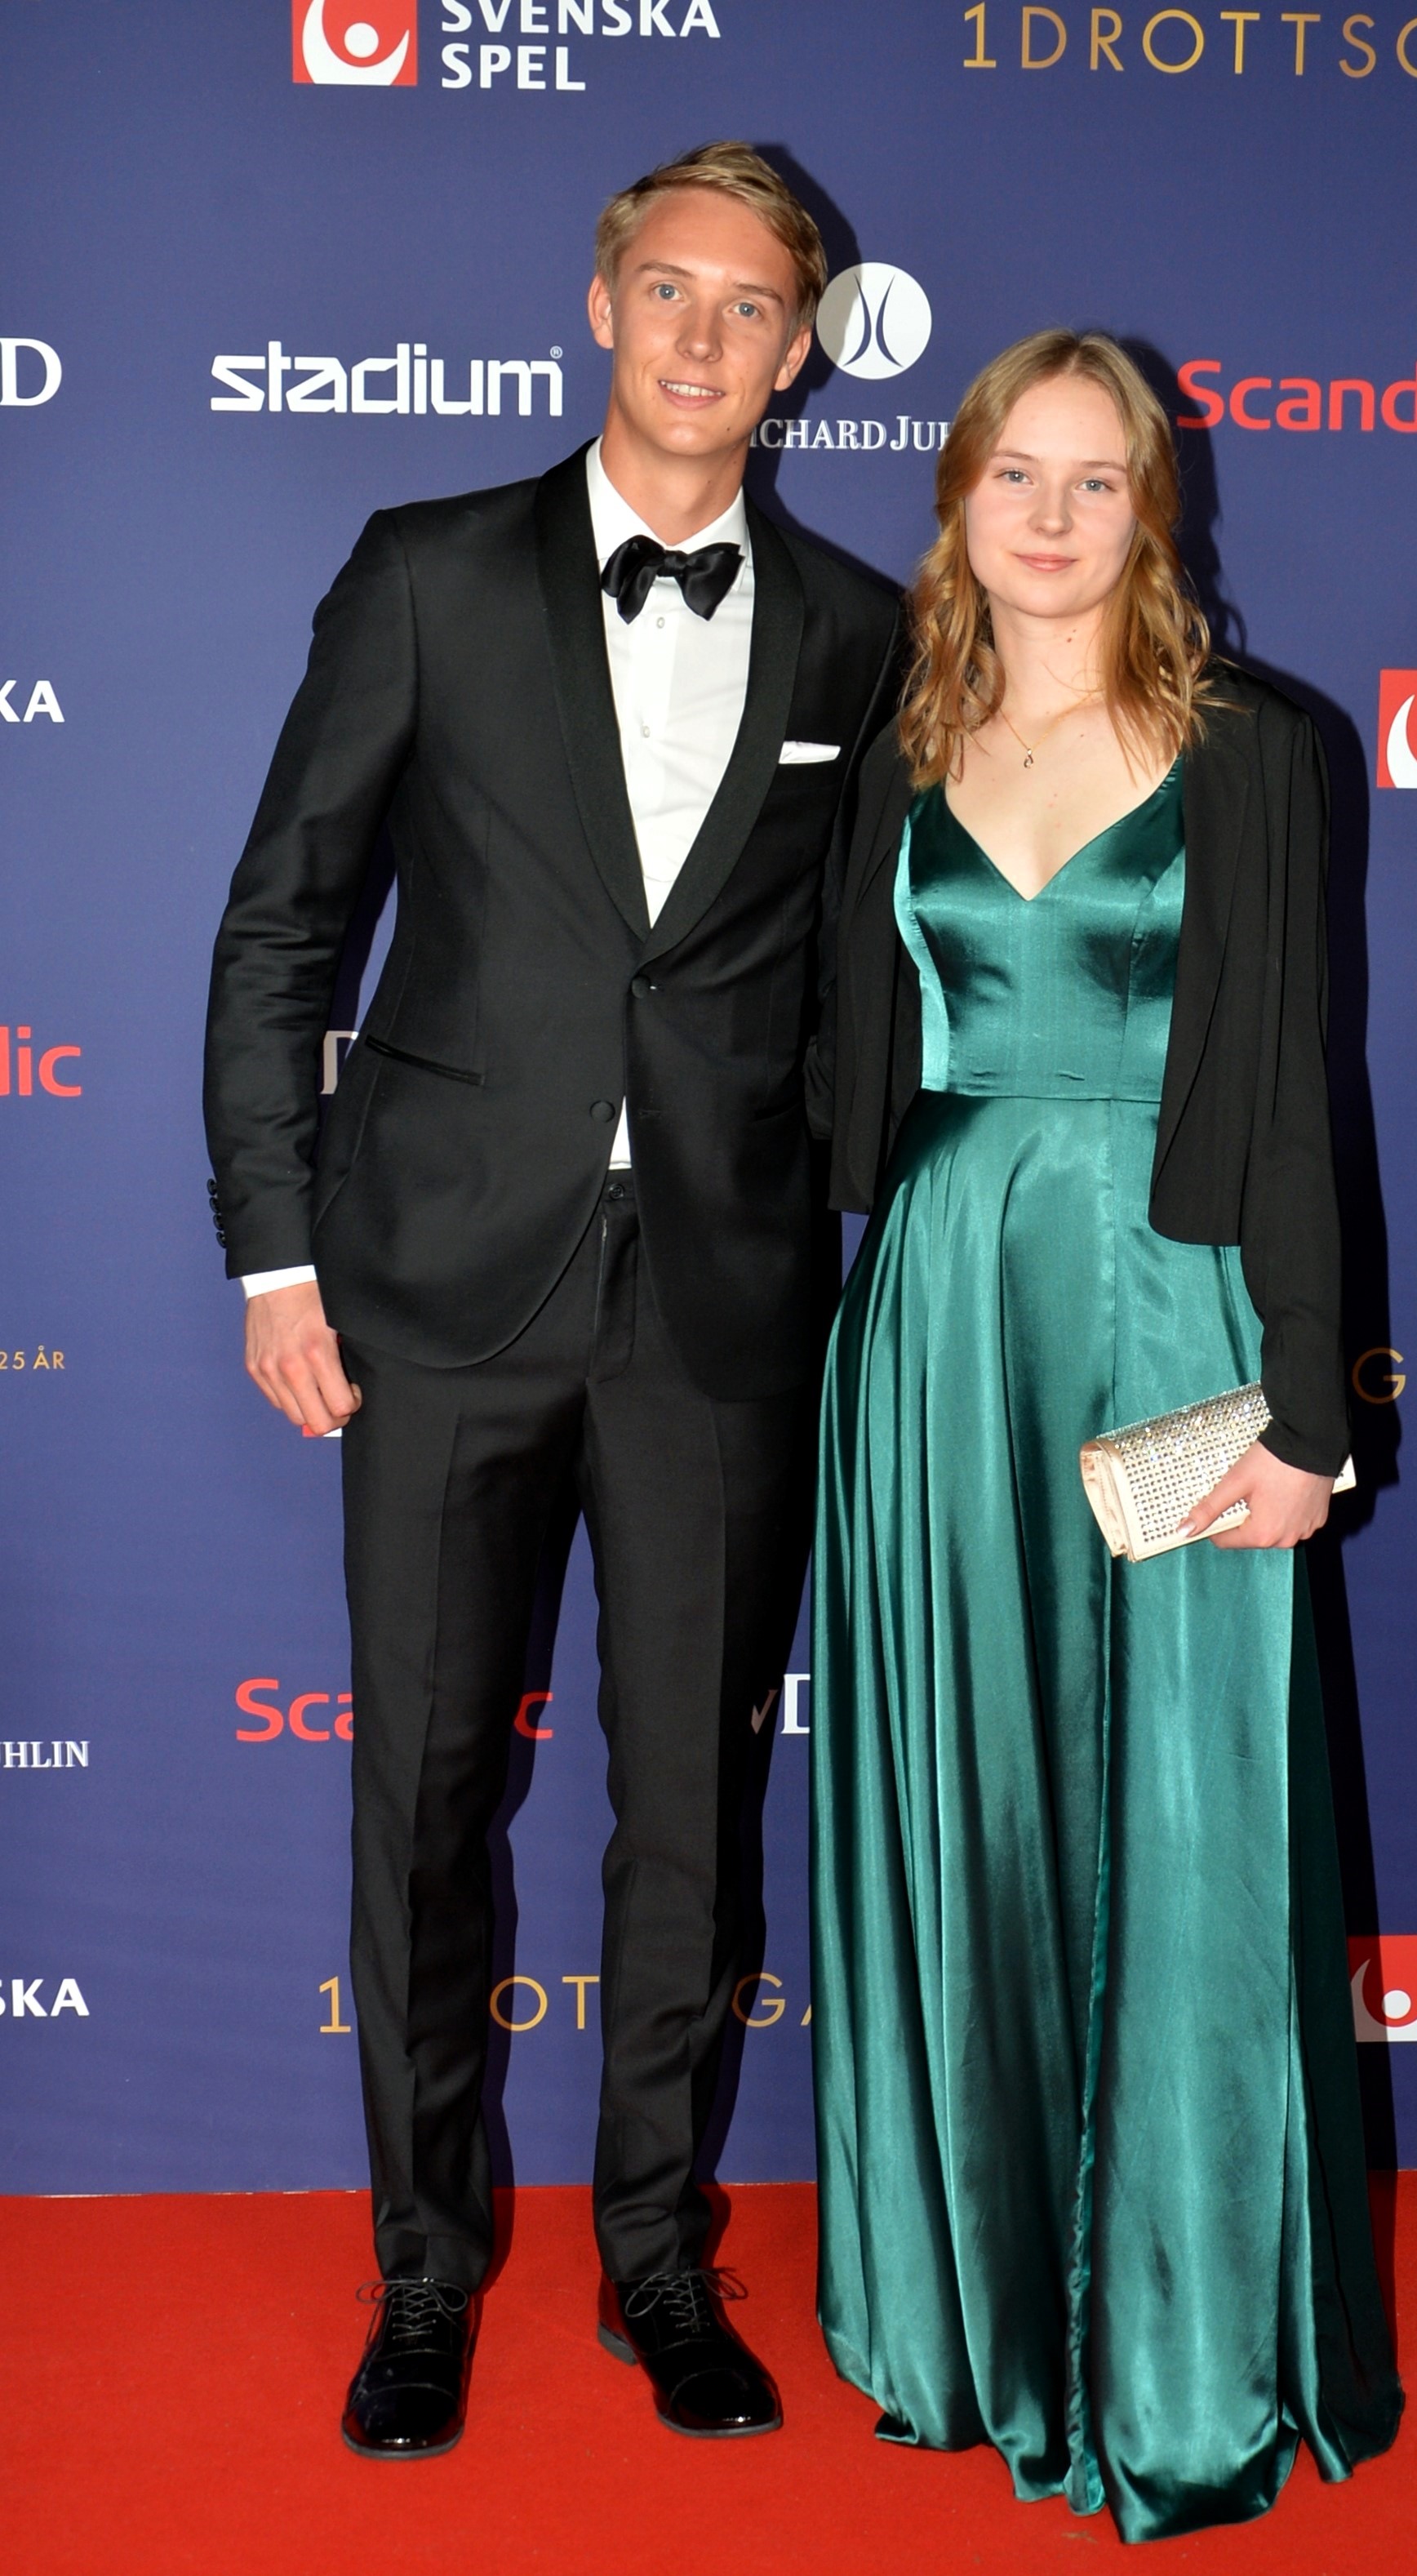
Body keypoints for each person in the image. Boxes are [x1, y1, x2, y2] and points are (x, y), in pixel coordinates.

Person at [204, 142, 900, 2460]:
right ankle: (425, 2269)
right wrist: (276, 1251)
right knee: (420, 1803)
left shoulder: (856, 630)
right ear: (601, 305)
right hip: (433, 1294)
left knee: (692, 1812)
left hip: (716, 1310)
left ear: (800, 351)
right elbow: (284, 924)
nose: (703, 337)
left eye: (750, 306)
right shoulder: (427, 572)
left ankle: (655, 2258)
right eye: (667, 290)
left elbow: (863, 988)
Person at [806, 331, 1402, 2542]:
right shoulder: (890, 747)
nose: (1050, 521)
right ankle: (966, 2316)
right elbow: (823, 1076)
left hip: (1172, 1307)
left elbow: (1300, 1094)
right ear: (955, 495)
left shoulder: (1258, 752)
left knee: (1189, 1816)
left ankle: (1187, 2345)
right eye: (1014, 477)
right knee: (964, 1801)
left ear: (1156, 509)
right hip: (940, 1323)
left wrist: (1313, 1415)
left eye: (1096, 480)